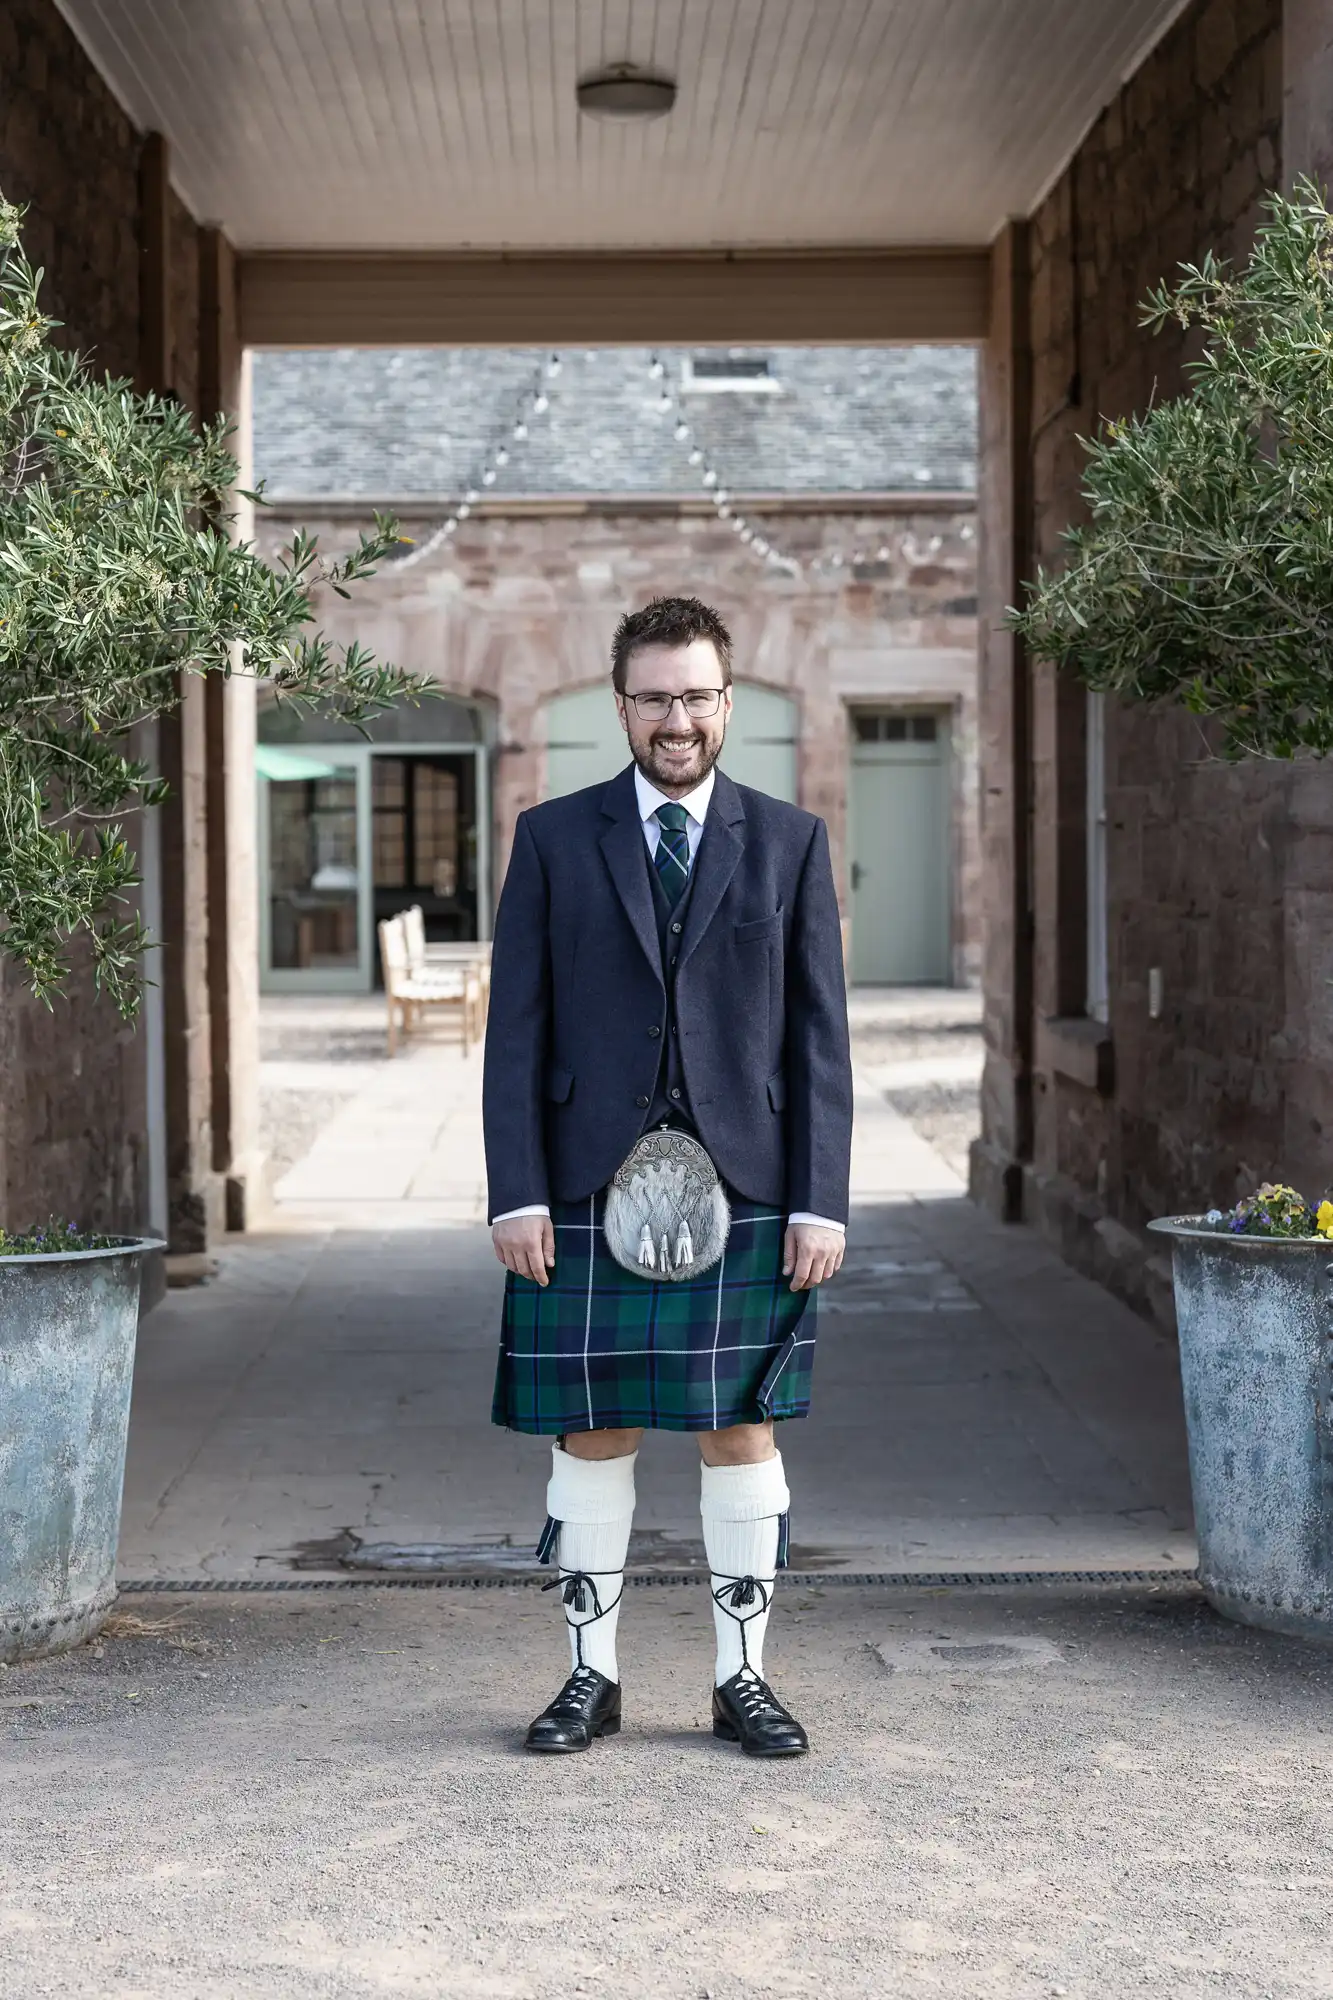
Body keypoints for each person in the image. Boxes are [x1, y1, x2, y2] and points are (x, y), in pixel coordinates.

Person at [484, 594, 853, 1758]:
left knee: (741, 1430)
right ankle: (589, 1677)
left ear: (727, 702)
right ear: (622, 705)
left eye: (697, 695)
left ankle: (743, 1677)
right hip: (588, 1185)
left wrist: (818, 1196)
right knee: (591, 1432)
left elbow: (818, 1034)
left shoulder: (788, 840)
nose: (677, 718)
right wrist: (518, 1188)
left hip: (747, 1185)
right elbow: (518, 1029)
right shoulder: (552, 837)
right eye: (655, 696)